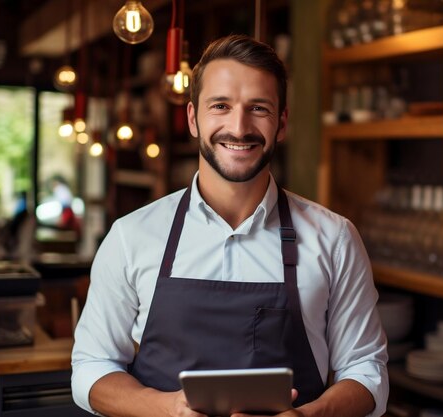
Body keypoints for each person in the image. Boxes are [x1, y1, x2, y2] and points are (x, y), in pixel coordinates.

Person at [71, 34, 388, 417]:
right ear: (193, 118)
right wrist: (169, 409)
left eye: (258, 108)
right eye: (220, 106)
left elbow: (366, 372)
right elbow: (91, 368)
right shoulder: (132, 235)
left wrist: (308, 416)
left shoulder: (335, 238)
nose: (239, 127)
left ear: (282, 123)